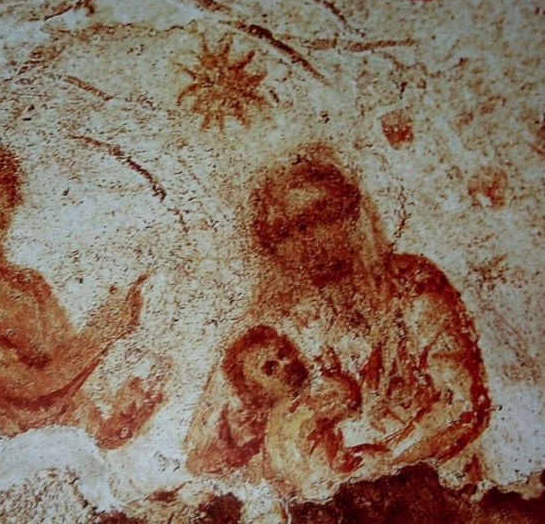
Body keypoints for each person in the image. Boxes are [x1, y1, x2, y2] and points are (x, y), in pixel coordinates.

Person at [186, 146, 490, 498]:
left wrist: (382, 462)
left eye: (319, 217)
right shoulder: (274, 326)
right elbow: (203, 453)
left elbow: (462, 405)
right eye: (285, 232)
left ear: (349, 214)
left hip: (430, 491)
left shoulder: (412, 285)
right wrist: (249, 433)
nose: (305, 241)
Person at [0, 147, 163, 451]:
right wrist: (102, 334)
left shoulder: (30, 287)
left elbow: (70, 392)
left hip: (41, 453)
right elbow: (26, 384)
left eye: (8, 199)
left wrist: (124, 419)